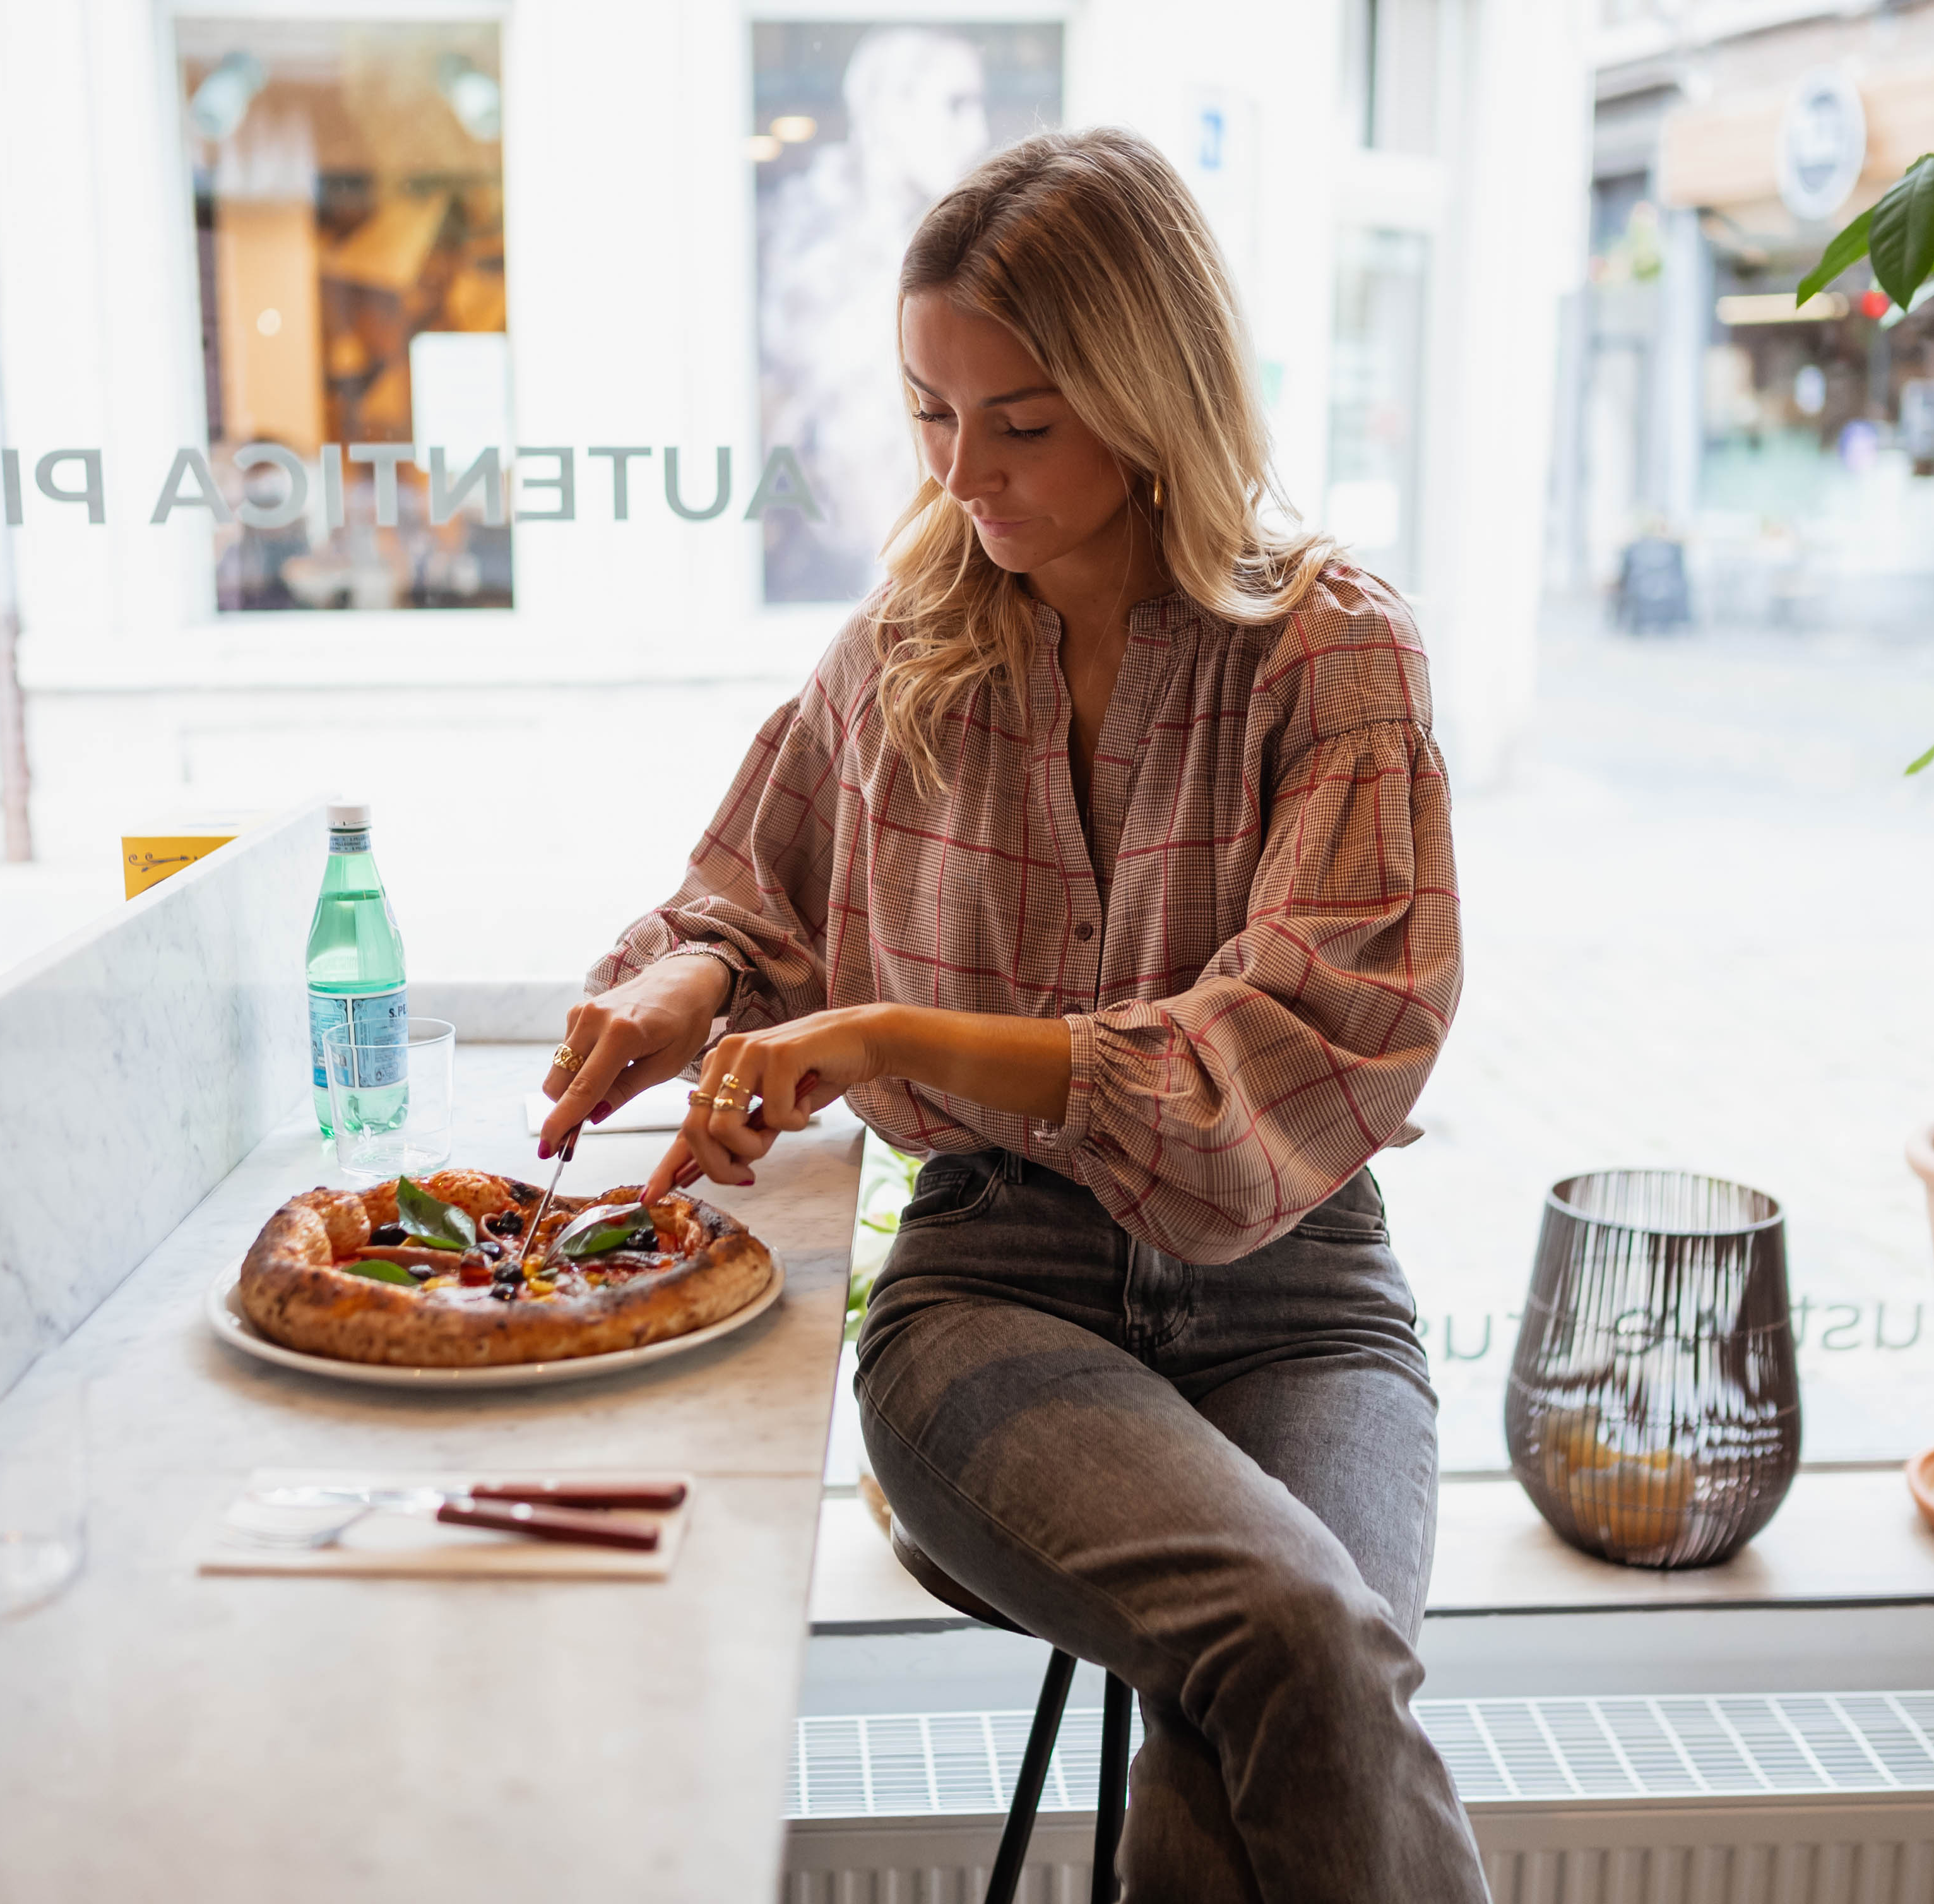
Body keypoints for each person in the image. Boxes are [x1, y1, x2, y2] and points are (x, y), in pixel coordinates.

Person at [540, 127, 1487, 1901]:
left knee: (1265, 1697)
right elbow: (755, 899)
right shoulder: (911, 645)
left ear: (1152, 397)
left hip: (1298, 1299)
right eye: (929, 413)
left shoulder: (1334, 654)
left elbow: (1287, 1048)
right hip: (994, 1287)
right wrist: (689, 983)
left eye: (1022, 423)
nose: (963, 471)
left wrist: (890, 1036)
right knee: (1299, 1638)